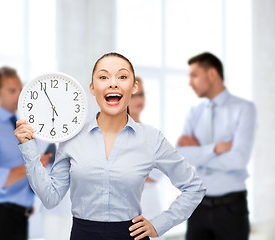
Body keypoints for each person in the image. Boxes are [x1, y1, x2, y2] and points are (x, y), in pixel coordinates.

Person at [15, 52, 206, 240]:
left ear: (133, 87)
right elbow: (50, 198)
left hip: (131, 235)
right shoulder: (72, 139)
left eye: (122, 76)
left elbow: (194, 187)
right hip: (83, 235)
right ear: (92, 87)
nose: (113, 83)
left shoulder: (151, 138)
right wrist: (28, 147)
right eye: (103, 76)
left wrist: (159, 224)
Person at [176, 52, 257, 240]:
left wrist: (199, 153)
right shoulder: (194, 113)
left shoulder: (244, 109)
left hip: (231, 209)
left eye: (194, 75)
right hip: (198, 207)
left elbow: (238, 160)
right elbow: (181, 156)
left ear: (212, 74)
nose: (190, 82)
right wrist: (214, 149)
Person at [0, 66, 50, 240]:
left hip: (21, 219)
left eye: (20, 89)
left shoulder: (23, 124)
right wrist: (32, 165)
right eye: (12, 91)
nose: (19, 95)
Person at [129, 77, 165, 240]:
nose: (139, 100)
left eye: (141, 94)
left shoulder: (152, 134)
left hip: (151, 203)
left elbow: (160, 172)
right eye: (133, 95)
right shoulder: (111, 135)